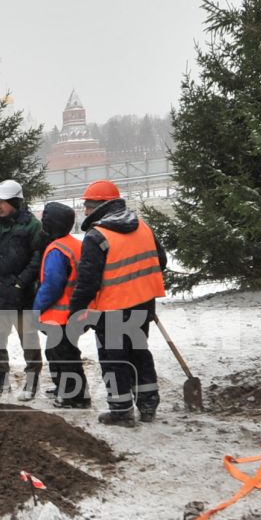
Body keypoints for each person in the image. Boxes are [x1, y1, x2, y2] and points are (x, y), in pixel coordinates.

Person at [67, 179, 168, 426]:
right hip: (143, 305)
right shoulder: (143, 226)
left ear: (101, 206)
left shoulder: (96, 236)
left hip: (111, 310)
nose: (85, 211)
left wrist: (76, 310)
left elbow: (87, 281)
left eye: (88, 206)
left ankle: (121, 410)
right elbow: (161, 260)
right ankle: (147, 404)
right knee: (139, 352)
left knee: (113, 360)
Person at [0, 178, 45, 398]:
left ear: (16, 202)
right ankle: (0, 380)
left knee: (29, 340)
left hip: (22, 294)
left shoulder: (32, 225)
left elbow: (37, 257)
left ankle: (32, 381)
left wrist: (21, 282)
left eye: (3, 202)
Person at [31, 200, 90, 408]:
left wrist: (37, 307)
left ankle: (76, 396)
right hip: (75, 312)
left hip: (61, 314)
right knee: (59, 352)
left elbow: (52, 285)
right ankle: (62, 388)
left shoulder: (57, 249)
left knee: (65, 355)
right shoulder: (74, 244)